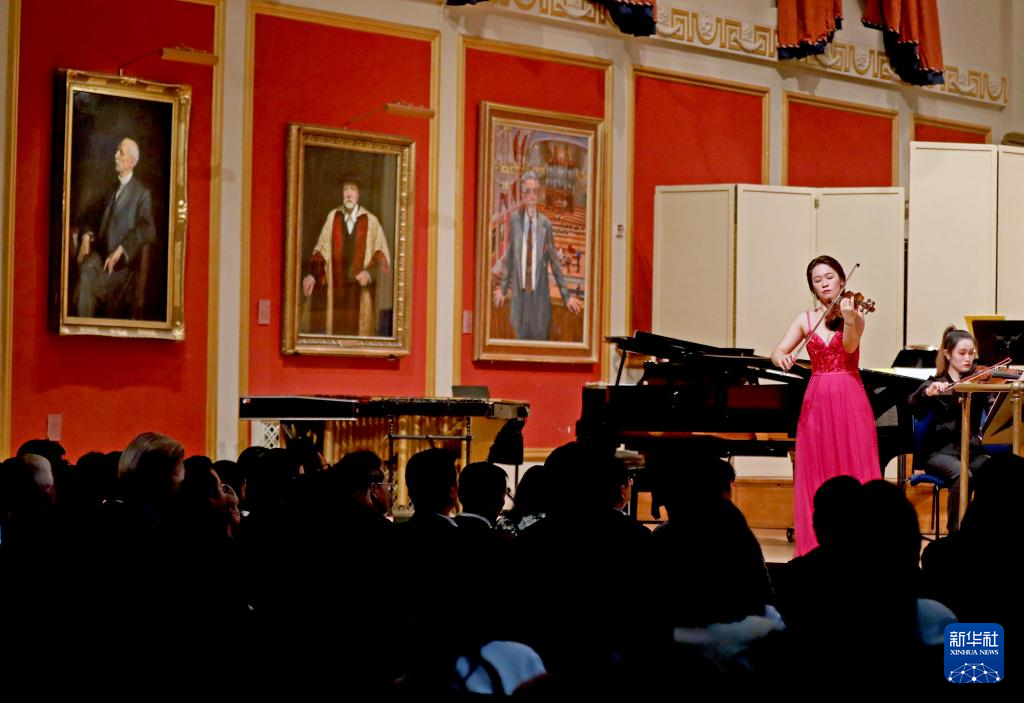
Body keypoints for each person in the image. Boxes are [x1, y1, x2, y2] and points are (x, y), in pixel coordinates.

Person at [771, 255, 879, 556]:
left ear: (842, 280)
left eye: (829, 277)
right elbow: (777, 352)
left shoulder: (855, 315)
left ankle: (860, 547)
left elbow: (849, 347)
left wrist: (849, 320)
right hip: (817, 399)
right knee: (817, 469)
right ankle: (814, 548)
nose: (824, 284)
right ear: (813, 287)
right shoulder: (805, 319)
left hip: (849, 395)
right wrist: (783, 358)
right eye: (817, 280)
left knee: (855, 466)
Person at [908, 326, 992, 532]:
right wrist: (928, 393)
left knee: (995, 472)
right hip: (940, 453)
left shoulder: (977, 383)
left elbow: (993, 406)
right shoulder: (935, 383)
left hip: (971, 451)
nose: (968, 359)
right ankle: (956, 533)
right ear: (947, 354)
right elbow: (913, 404)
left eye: (971, 353)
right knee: (963, 476)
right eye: (962, 353)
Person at [492, 171, 581, 340]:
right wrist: (503, 290)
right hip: (519, 300)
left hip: (539, 300)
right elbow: (509, 257)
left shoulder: (546, 224)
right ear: (522, 195)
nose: (532, 196)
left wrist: (567, 297)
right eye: (528, 191)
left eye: (534, 191)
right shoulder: (515, 221)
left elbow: (555, 263)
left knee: (540, 341)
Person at [74, 137, 156, 319]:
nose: (115, 156)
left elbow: (147, 229)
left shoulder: (142, 194)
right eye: (117, 151)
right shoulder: (110, 190)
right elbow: (90, 216)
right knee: (85, 272)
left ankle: (81, 327)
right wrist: (86, 236)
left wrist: (122, 249)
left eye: (121, 152)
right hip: (99, 259)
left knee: (85, 287)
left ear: (131, 162)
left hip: (121, 267)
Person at [302, 176, 390, 336]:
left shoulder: (371, 221)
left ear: (359, 194)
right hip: (337, 293)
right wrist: (312, 275)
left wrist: (369, 273)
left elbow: (382, 255)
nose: (349, 194)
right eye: (345, 189)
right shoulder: (333, 217)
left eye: (353, 189)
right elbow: (321, 251)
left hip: (360, 293)